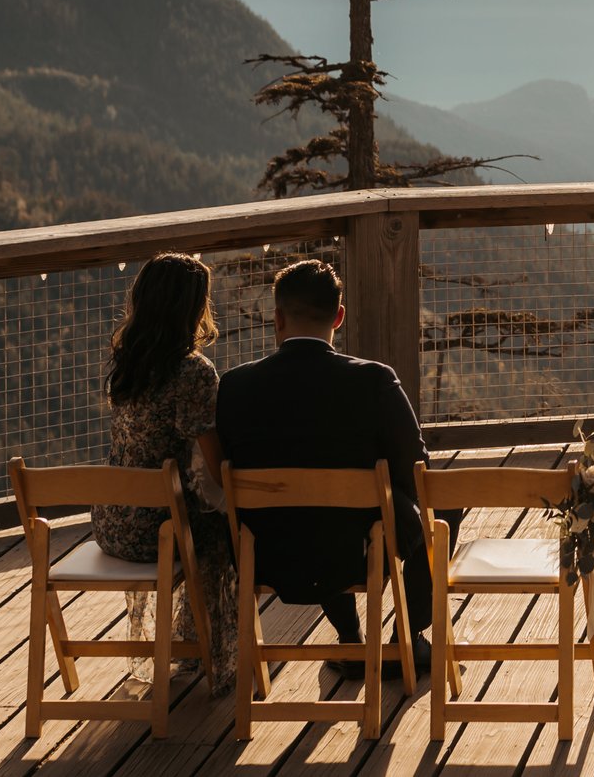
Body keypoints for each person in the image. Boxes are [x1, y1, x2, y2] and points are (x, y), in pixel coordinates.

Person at [214, 257, 453, 680]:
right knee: (443, 508)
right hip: (357, 555)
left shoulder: (234, 386)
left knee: (316, 509)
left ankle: (349, 638)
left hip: (265, 554)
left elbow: (226, 468)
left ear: (278, 318)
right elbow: (417, 468)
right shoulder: (374, 380)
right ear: (339, 317)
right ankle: (405, 639)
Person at [91, 252, 237, 696]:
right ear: (193, 307)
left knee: (199, 513)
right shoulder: (192, 371)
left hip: (111, 522)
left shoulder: (129, 360)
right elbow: (216, 465)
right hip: (159, 529)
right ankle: (209, 650)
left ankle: (188, 644)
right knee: (227, 528)